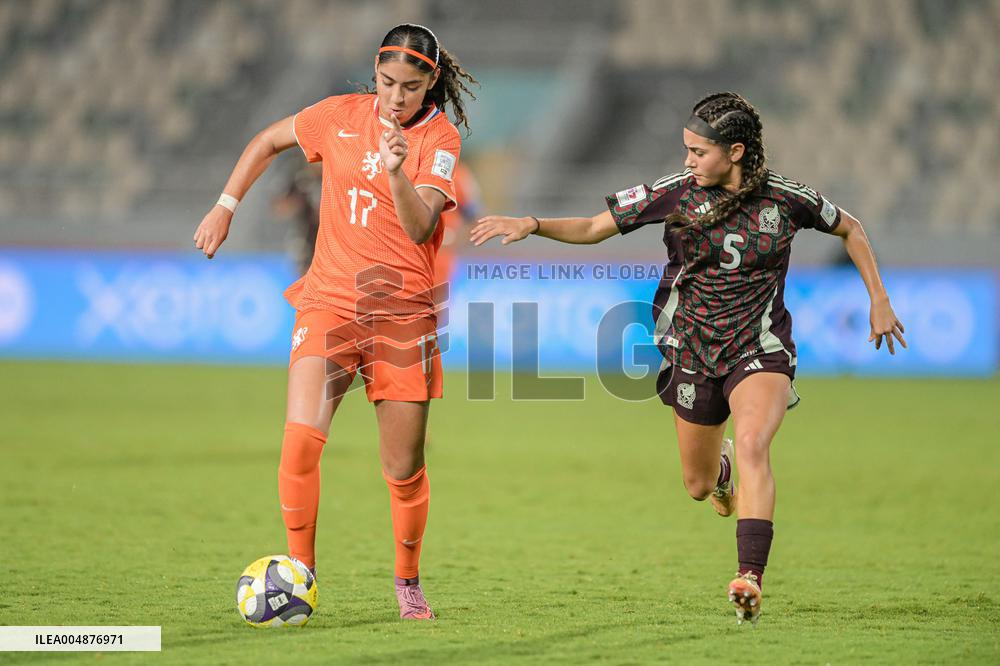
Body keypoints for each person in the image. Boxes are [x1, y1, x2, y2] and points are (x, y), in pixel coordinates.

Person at [470, 92, 906, 625]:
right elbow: (593, 227)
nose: (688, 160)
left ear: (736, 152)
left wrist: (878, 298)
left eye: (699, 152)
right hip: (692, 350)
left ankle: (750, 577)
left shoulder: (787, 199)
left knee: (754, 444)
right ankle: (720, 471)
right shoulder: (676, 193)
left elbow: (850, 227)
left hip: (760, 347)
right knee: (698, 485)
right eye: (687, 150)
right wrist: (532, 223)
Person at [193, 23, 477, 620]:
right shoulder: (337, 115)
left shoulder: (439, 137)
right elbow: (267, 141)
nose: (396, 97)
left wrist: (395, 170)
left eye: (410, 87)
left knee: (403, 470)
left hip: (402, 316)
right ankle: (302, 575)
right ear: (374, 72)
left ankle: (407, 583)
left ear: (431, 82)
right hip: (329, 303)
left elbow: (421, 228)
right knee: (299, 441)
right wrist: (225, 206)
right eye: (386, 82)